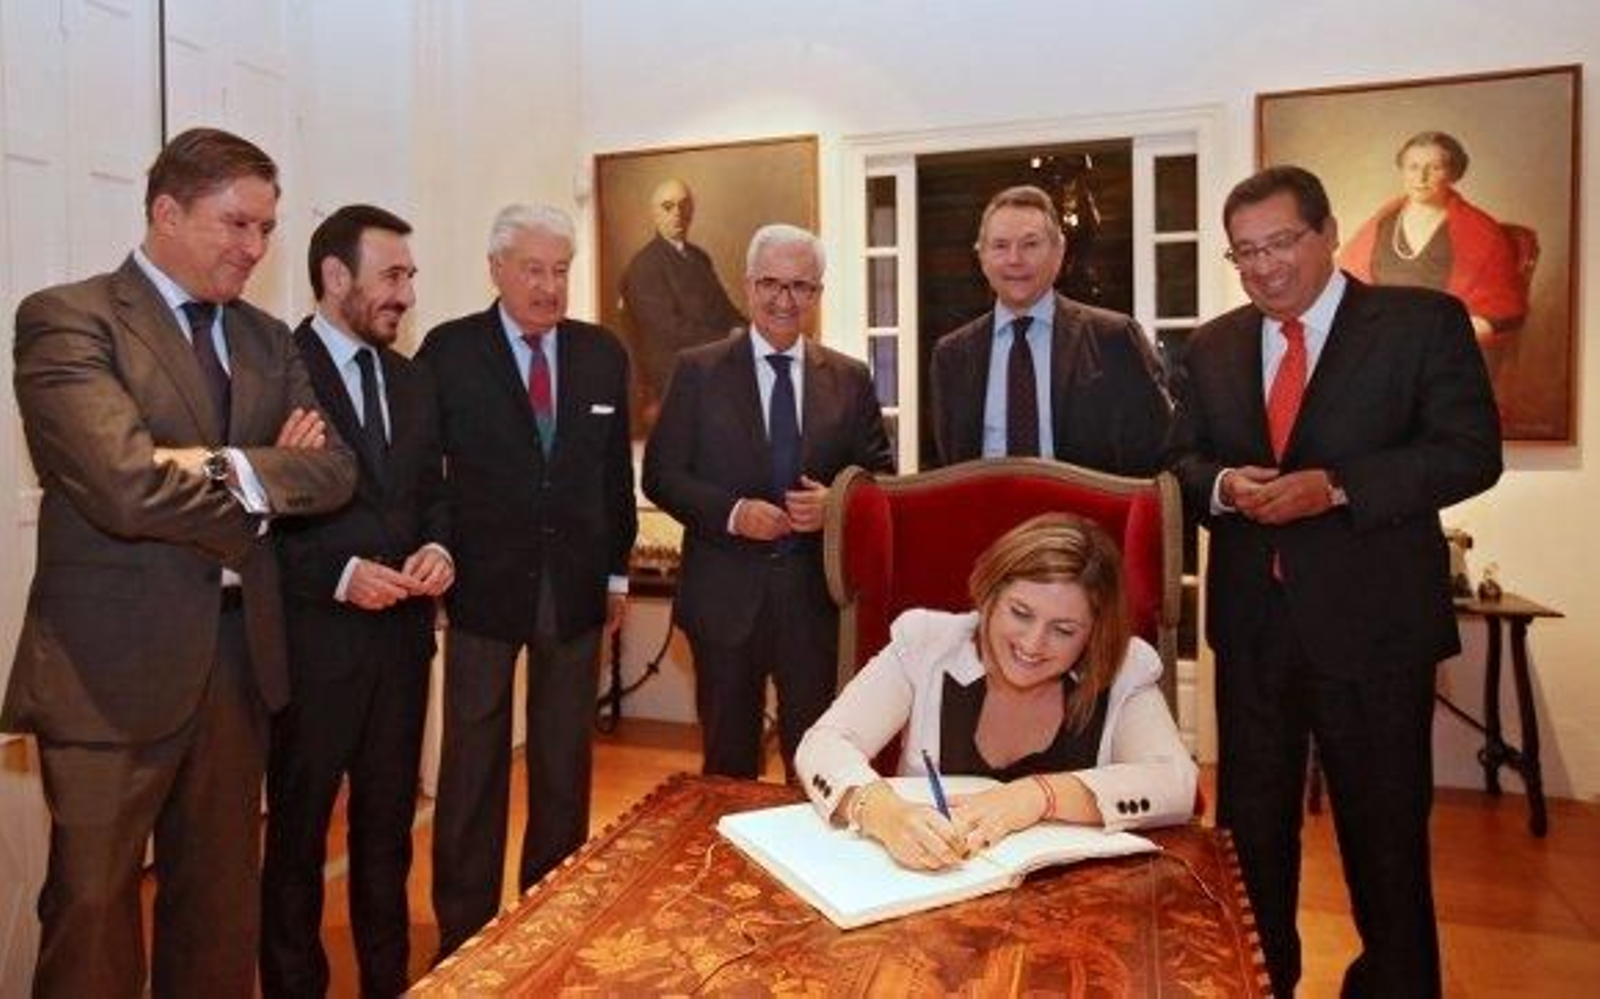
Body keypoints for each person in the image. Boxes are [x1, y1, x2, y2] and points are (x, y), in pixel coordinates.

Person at [2, 127, 357, 998]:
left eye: (266, 228)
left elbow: (334, 470)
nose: (255, 247)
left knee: (218, 911)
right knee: (91, 911)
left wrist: (208, 464)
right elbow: (121, 486)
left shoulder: (271, 339)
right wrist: (263, 488)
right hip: (105, 671)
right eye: (236, 223)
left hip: (239, 667)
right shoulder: (67, 317)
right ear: (166, 210)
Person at [1165, 165, 1502, 996]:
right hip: (1253, 637)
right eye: (1245, 252)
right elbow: (1178, 461)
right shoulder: (1213, 344)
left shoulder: (1420, 324)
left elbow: (1469, 452)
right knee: (1251, 846)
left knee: (1385, 847)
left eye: (1280, 242)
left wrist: (1337, 485)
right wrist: (1224, 488)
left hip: (1375, 635)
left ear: (1325, 232)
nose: (1265, 267)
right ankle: (1261, 983)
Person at [417, 203, 636, 959]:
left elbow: (613, 474)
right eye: (534, 269)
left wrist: (616, 574)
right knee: (473, 765)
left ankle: (549, 915)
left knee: (562, 764)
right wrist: (439, 557)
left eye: (561, 270)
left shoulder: (602, 353)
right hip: (482, 587)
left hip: (575, 587)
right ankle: (465, 933)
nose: (549, 286)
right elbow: (427, 476)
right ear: (497, 269)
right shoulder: (448, 352)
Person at [260, 204, 453, 998]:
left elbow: (431, 494)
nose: (406, 294)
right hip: (314, 649)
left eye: (409, 277)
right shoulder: (273, 369)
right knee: (299, 842)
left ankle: (387, 982)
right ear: (336, 277)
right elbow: (255, 510)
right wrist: (340, 574)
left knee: (387, 837)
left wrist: (442, 547)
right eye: (393, 276)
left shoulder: (411, 378)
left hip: (403, 648)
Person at [795, 513, 1196, 869]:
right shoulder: (926, 643)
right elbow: (823, 744)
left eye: (1064, 630)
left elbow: (1177, 785)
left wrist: (1037, 796)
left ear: (1094, 633)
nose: (1034, 643)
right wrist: (883, 814)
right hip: (933, 895)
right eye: (1020, 613)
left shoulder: (1124, 667)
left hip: (1070, 914)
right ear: (988, 595)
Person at [643, 223, 894, 779]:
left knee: (818, 768)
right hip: (724, 601)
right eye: (771, 284)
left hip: (816, 605)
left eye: (801, 287)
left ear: (817, 294)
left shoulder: (849, 379)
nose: (785, 300)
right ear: (748, 285)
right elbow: (661, 475)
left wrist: (838, 505)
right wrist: (733, 514)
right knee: (727, 768)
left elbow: (881, 480)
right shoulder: (698, 371)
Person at [928, 184, 1170, 475]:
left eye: (1030, 244)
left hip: (1089, 518)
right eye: (1000, 246)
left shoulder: (1115, 339)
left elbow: (1161, 457)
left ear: (1059, 251)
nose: (1015, 259)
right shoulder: (952, 356)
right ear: (982, 258)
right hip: (988, 518)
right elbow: (951, 470)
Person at [1339, 131, 1528, 342]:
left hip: (1436, 340)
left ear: (1452, 173)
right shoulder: (1381, 223)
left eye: (1435, 168)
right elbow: (1344, 282)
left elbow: (1503, 308)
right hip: (1375, 334)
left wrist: (1449, 334)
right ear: (1402, 171)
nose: (1421, 178)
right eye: (1413, 167)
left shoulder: (1480, 231)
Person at [620, 177, 746, 420]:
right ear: (654, 214)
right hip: (675, 371)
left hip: (712, 358)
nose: (678, 213)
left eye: (684, 205)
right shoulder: (644, 266)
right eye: (668, 207)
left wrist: (747, 329)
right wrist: (728, 340)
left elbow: (725, 309)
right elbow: (669, 330)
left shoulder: (699, 257)